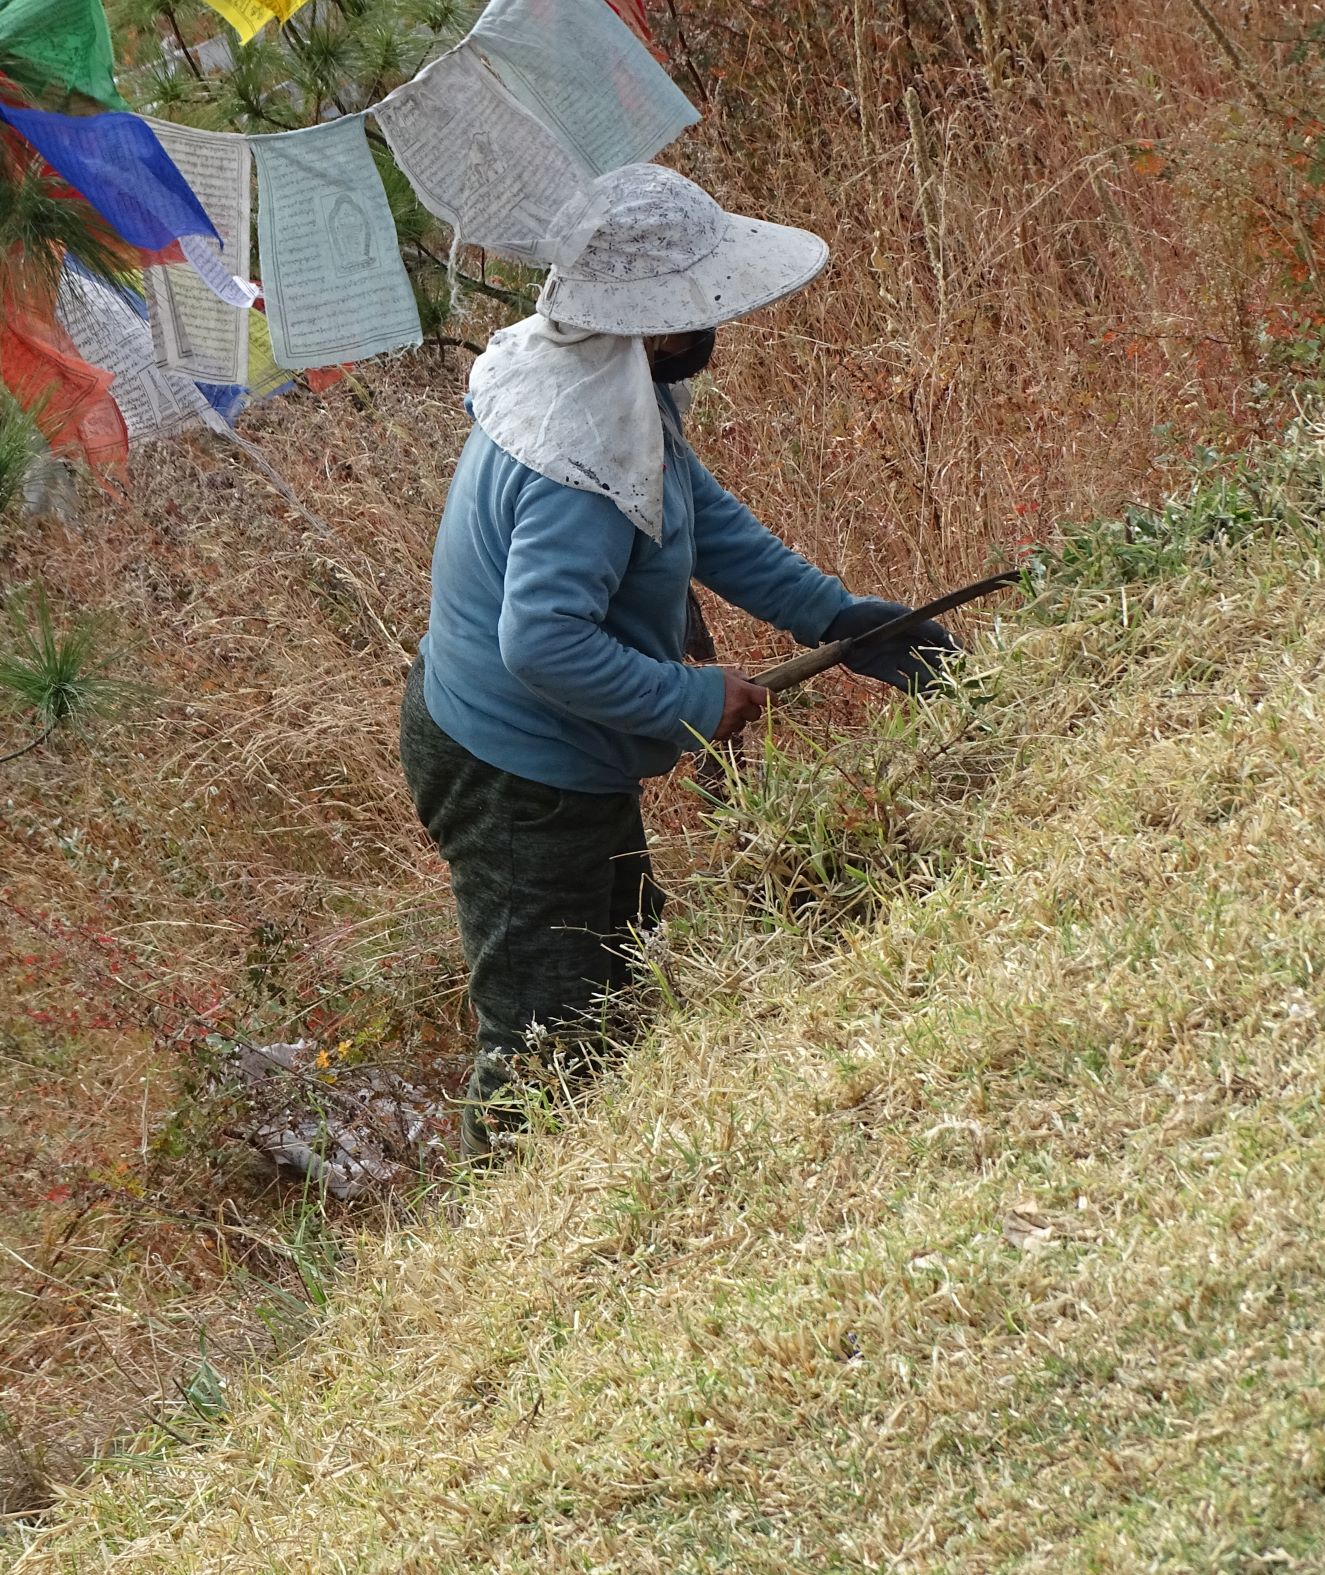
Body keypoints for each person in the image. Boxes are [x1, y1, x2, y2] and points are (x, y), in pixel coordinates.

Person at [402, 163, 959, 1156]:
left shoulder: (606, 379)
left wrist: (834, 617)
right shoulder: (575, 448)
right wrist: (690, 697)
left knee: (619, 967)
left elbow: (696, 520)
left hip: (553, 755)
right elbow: (542, 643)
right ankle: (503, 1238)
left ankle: (614, 1173)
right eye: (701, 307)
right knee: (546, 1029)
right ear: (656, 321)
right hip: (514, 773)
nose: (716, 325)